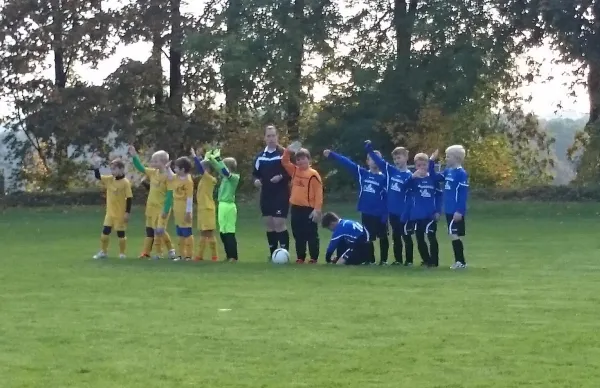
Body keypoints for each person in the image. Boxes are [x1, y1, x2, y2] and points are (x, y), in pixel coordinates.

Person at [323, 148, 387, 265]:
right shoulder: (363, 174)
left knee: (383, 237)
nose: (375, 161)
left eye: (377, 159)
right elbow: (348, 163)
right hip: (367, 213)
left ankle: (384, 261)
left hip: (380, 213)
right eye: (371, 159)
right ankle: (369, 260)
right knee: (368, 238)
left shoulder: (385, 178)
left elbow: (388, 198)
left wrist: (385, 214)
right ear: (367, 161)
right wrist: (333, 155)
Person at [364, 140, 414, 266]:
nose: (397, 160)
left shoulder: (411, 176)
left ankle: (409, 261)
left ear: (406, 157)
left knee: (406, 236)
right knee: (396, 236)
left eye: (399, 157)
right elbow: (380, 162)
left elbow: (411, 196)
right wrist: (370, 150)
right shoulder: (391, 171)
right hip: (393, 212)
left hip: (405, 212)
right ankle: (398, 260)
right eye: (395, 158)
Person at [129, 146, 176, 260]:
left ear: (163, 162)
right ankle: (152, 253)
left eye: (155, 161)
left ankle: (169, 250)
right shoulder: (152, 172)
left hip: (162, 208)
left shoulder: (169, 177)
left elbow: (170, 195)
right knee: (152, 230)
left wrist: (165, 210)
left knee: (159, 230)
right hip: (151, 207)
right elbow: (140, 167)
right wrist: (134, 156)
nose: (152, 163)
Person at [280, 144, 323, 264]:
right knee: (298, 234)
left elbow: (319, 193)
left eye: (303, 158)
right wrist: (288, 150)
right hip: (296, 208)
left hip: (309, 209)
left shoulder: (313, 174)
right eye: (298, 159)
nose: (300, 161)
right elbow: (284, 161)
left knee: (311, 234)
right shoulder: (294, 171)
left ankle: (313, 258)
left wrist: (317, 209)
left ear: (309, 160)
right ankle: (300, 257)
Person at [252, 125, 290, 257]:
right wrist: (256, 181)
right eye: (268, 136)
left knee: (279, 222)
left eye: (273, 135)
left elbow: (292, 173)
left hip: (281, 193)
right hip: (266, 194)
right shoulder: (260, 156)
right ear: (264, 138)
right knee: (269, 223)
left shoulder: (284, 154)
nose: (271, 138)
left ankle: (285, 254)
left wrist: (281, 177)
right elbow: (255, 174)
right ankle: (273, 254)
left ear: (277, 137)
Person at [429, 146, 469, 269]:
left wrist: (460, 210)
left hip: (455, 211)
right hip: (448, 209)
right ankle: (460, 261)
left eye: (448, 156)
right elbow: (434, 177)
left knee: (454, 234)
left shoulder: (461, 174)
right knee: (452, 234)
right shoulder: (448, 171)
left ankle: (460, 262)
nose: (446, 159)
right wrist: (431, 161)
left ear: (456, 157)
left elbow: (463, 194)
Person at [405, 153, 443, 267]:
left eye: (424, 164)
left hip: (430, 214)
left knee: (431, 237)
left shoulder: (432, 179)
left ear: (428, 165)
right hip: (417, 214)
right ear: (415, 166)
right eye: (419, 165)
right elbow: (404, 187)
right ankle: (426, 259)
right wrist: (412, 177)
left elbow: (439, 196)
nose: (421, 167)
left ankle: (434, 261)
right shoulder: (414, 180)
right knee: (419, 238)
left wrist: (438, 211)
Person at [91, 159, 133, 260]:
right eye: (111, 169)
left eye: (114, 169)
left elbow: (129, 198)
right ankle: (103, 252)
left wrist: (127, 212)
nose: (112, 171)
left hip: (120, 214)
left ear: (121, 169)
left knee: (121, 234)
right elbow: (98, 177)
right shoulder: (110, 179)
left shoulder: (125, 183)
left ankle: (122, 253)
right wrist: (96, 168)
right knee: (105, 233)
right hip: (110, 213)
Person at [207, 149, 240, 262]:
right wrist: (211, 159)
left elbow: (224, 171)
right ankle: (228, 255)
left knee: (230, 232)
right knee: (223, 232)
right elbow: (218, 168)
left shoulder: (234, 178)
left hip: (229, 206)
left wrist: (218, 159)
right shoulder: (225, 177)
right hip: (222, 205)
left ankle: (233, 256)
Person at [164, 157, 194, 261]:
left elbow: (190, 197)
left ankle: (189, 256)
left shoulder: (188, 181)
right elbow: (171, 177)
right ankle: (181, 255)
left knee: (187, 232)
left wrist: (188, 212)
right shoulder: (176, 177)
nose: (174, 169)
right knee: (180, 232)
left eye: (176, 168)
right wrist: (167, 168)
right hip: (177, 207)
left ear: (182, 169)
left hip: (184, 207)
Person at [191, 148, 218, 261]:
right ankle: (200, 255)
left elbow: (201, 168)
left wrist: (194, 157)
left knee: (209, 233)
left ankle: (214, 255)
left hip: (207, 209)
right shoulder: (203, 179)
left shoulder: (210, 179)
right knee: (202, 233)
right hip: (202, 209)